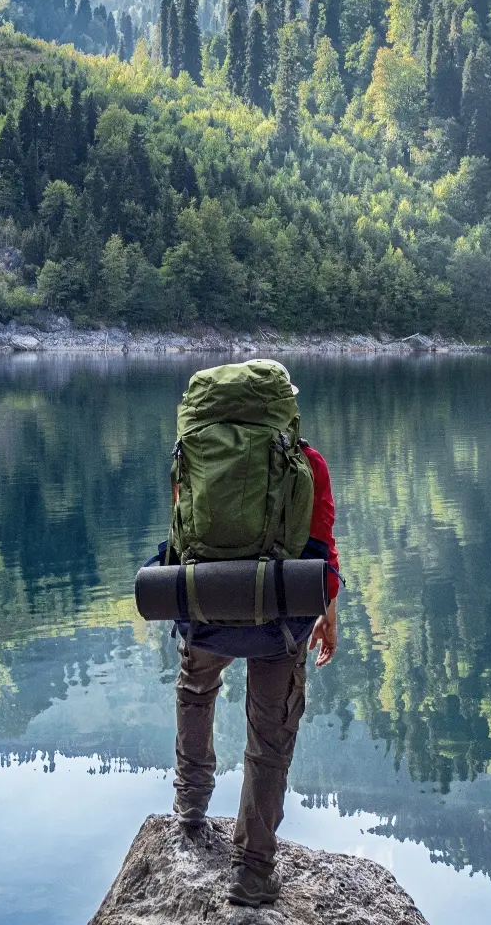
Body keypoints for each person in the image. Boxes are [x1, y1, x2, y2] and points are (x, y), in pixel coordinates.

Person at [170, 361, 341, 908]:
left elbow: (181, 530)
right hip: (279, 619)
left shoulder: (196, 457)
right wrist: (328, 612)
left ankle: (190, 806)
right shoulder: (307, 462)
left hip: (205, 609)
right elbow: (321, 545)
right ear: (283, 408)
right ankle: (252, 870)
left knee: (196, 690)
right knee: (269, 738)